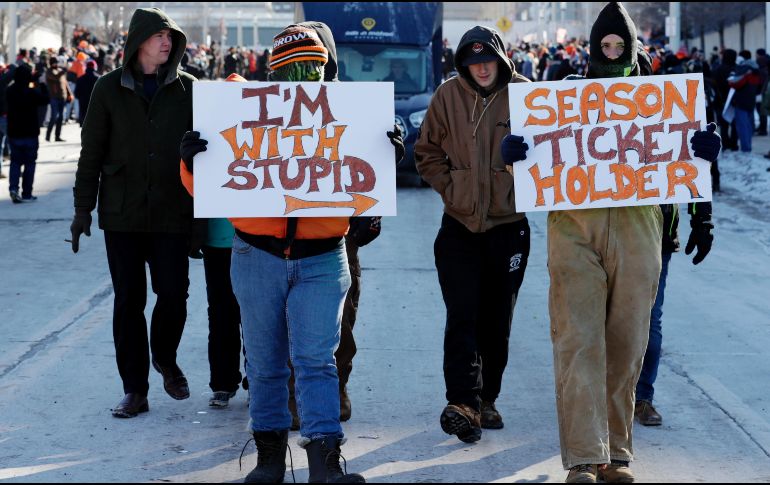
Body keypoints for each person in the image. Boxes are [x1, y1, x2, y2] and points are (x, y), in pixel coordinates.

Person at [501, 3, 722, 482]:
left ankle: (616, 454)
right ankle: (583, 456)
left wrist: (703, 206)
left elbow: (691, 157)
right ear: (593, 47)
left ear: (634, 48)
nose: (613, 52)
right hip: (574, 229)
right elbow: (533, 156)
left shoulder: (661, 100)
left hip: (639, 228)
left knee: (626, 344)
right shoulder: (564, 95)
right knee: (578, 341)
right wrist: (513, 155)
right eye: (605, 44)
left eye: (621, 45)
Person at [178, 23, 403, 482]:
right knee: (263, 363)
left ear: (326, 68)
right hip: (256, 256)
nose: (304, 76)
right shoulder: (241, 110)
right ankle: (268, 460)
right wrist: (189, 160)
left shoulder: (352, 112)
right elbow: (209, 187)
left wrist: (385, 160)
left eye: (313, 67)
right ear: (273, 70)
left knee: (317, 360)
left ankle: (324, 462)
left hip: (323, 257)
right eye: (292, 68)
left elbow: (364, 189)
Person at [69, 7, 197, 419]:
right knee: (128, 301)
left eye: (170, 36)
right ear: (139, 40)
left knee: (174, 293)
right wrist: (81, 209)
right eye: (159, 35)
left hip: (173, 210)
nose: (168, 42)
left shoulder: (189, 89)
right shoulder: (108, 89)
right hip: (122, 212)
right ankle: (134, 390)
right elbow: (91, 153)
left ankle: (165, 355)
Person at [414, 25, 531, 444]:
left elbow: (556, 151)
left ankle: (487, 400)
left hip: (509, 228)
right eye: (472, 62)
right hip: (459, 227)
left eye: (487, 61)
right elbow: (425, 151)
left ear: (500, 59)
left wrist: (523, 164)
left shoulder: (526, 95)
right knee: (462, 315)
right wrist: (452, 186)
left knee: (497, 321)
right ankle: (462, 401)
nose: (481, 69)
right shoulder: (447, 96)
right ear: (463, 64)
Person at [635, 201, 715, 427]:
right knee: (604, 314)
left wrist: (702, 218)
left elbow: (697, 166)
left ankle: (642, 398)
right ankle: (605, 399)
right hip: (605, 228)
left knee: (650, 319)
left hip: (657, 234)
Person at [6, 64, 49, 203]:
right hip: (30, 133)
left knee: (15, 162)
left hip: (14, 132)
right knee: (30, 164)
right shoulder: (32, 92)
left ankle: (13, 188)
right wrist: (41, 83)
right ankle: (27, 193)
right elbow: (45, 99)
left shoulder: (10, 91)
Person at [729, 50, 761, 153]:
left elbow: (736, 83)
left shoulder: (745, 70)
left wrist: (731, 80)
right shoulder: (756, 69)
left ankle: (745, 148)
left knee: (742, 127)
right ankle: (748, 146)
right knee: (748, 126)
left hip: (741, 101)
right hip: (751, 101)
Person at [45, 57, 72, 142]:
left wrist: (69, 93)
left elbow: (65, 83)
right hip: (54, 97)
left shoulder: (60, 71)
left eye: (56, 62)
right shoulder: (49, 72)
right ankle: (48, 136)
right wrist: (62, 72)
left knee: (60, 117)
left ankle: (57, 136)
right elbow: (55, 78)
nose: (56, 64)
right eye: (54, 63)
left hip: (62, 97)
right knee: (54, 117)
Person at [74, 60, 99, 126]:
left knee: (84, 126)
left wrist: (81, 98)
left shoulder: (80, 79)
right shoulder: (98, 78)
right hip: (95, 104)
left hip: (83, 103)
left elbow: (76, 93)